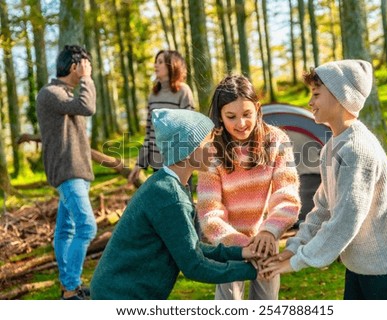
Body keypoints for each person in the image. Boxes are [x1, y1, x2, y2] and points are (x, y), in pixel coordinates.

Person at [260, 60, 387, 300]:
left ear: (340, 96)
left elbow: (346, 219)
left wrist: (298, 261)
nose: (310, 102)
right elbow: (323, 209)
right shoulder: (332, 147)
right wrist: (293, 248)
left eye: (316, 94)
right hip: (359, 268)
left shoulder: (357, 149)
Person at [90, 108, 258, 300]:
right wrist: (252, 271)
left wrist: (243, 252)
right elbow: (194, 266)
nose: (215, 148)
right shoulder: (169, 196)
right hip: (120, 296)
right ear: (186, 151)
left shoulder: (169, 184)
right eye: (209, 142)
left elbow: (191, 247)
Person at [196, 75, 301, 300]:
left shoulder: (276, 140)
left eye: (247, 114)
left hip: (265, 241)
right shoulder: (211, 151)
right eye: (231, 116)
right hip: (228, 244)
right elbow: (209, 212)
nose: (241, 123)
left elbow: (287, 195)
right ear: (220, 117)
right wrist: (242, 246)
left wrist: (268, 232)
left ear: (257, 108)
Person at [36, 45, 97, 300]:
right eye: (84, 66)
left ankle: (68, 286)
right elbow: (87, 107)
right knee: (87, 227)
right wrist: (87, 79)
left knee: (65, 231)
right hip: (67, 173)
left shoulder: (64, 94)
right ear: (75, 67)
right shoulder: (51, 93)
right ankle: (71, 289)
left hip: (77, 173)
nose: (87, 70)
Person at [128, 50, 195, 186]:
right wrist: (140, 163)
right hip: (157, 163)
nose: (155, 66)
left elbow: (189, 130)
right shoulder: (153, 95)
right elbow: (149, 133)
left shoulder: (183, 91)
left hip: (179, 163)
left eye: (160, 62)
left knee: (182, 206)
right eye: (155, 62)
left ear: (172, 65)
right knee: (162, 205)